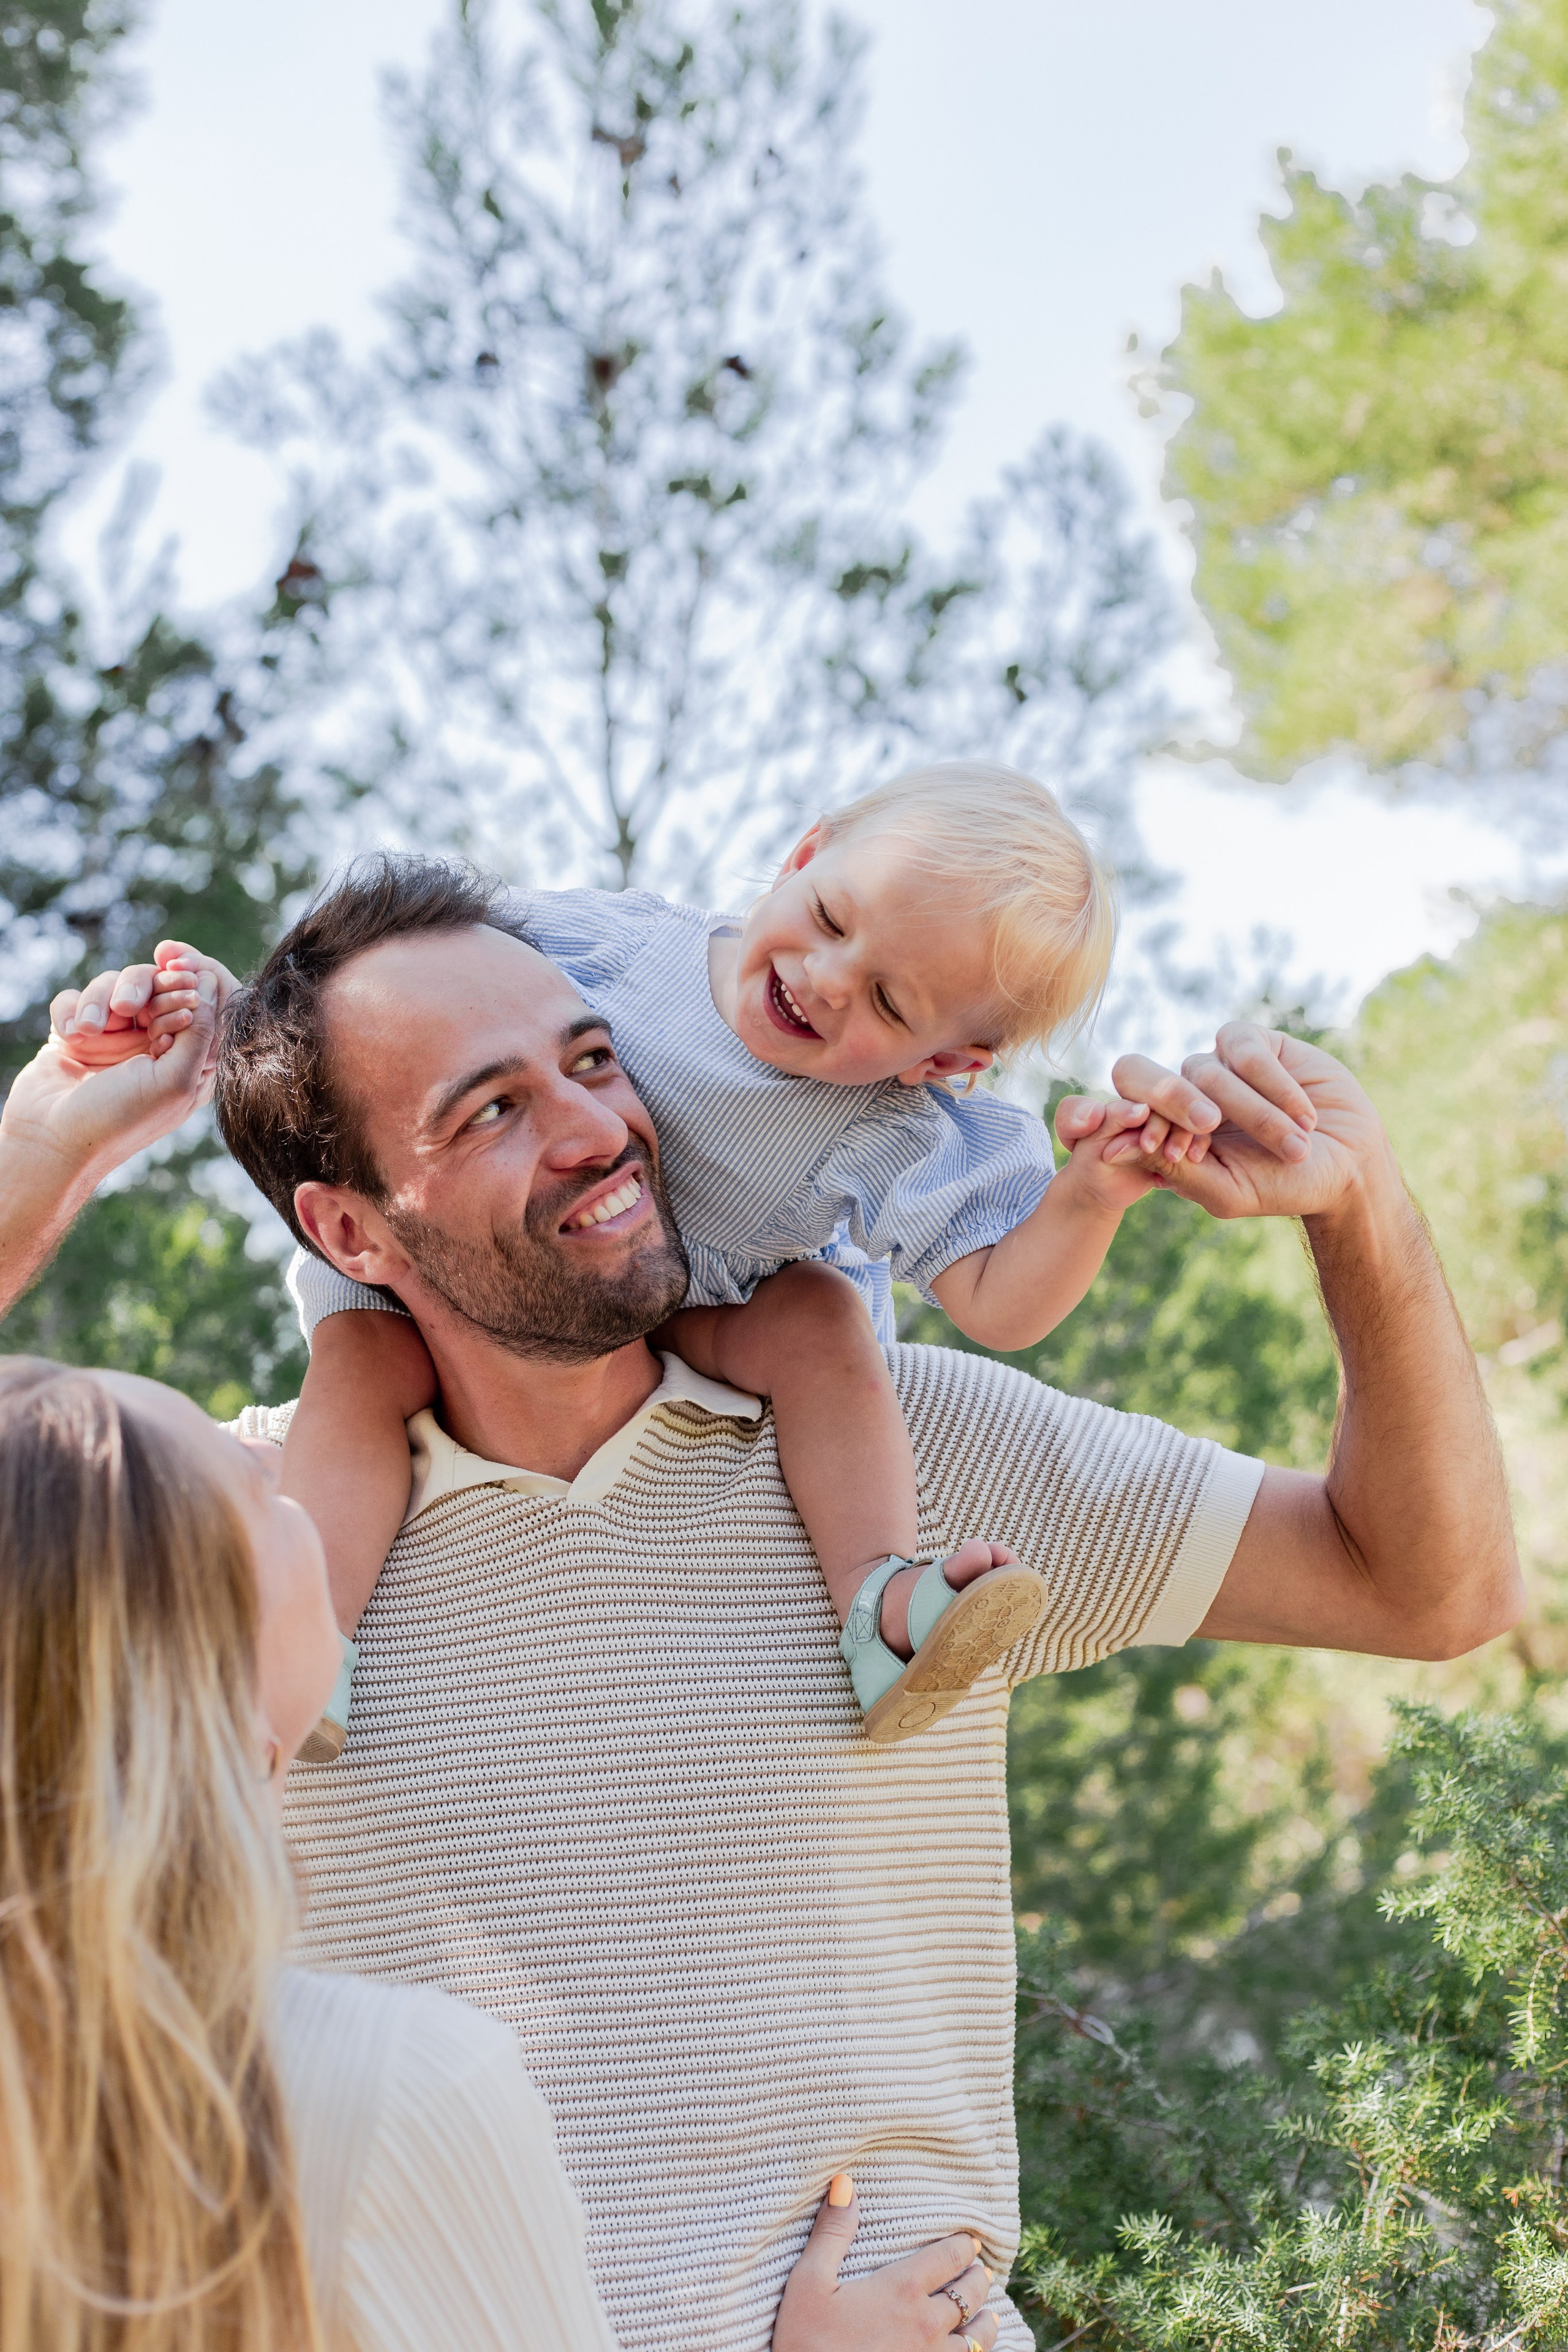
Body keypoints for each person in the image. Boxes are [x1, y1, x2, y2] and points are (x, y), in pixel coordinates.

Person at [208, 854, 1521, 2352]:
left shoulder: (889, 1446)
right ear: (352, 1234)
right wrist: (53, 1146)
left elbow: (1425, 1588)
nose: (594, 1129)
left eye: (592, 1060)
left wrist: (1357, 1211)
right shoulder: (245, 1552)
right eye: (490, 1111)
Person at [0, 954, 1003, 2352]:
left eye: (593, 1061)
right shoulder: (383, 2086)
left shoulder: (110, 2065)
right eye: (253, 1495)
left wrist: (48, 1150)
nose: (292, 1480)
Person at [285, 765, 1231, 1754]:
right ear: (804, 856)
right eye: (830, 918)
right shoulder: (621, 942)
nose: (827, 979)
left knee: (818, 1310)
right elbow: (391, 990)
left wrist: (1090, 1196)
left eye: (889, 1001)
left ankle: (881, 1601)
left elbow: (1000, 1305)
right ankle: (306, 1638)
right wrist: (238, 1012)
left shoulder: (880, 1121)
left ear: (943, 1064)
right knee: (361, 1362)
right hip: (474, 1270)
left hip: (686, 1305)